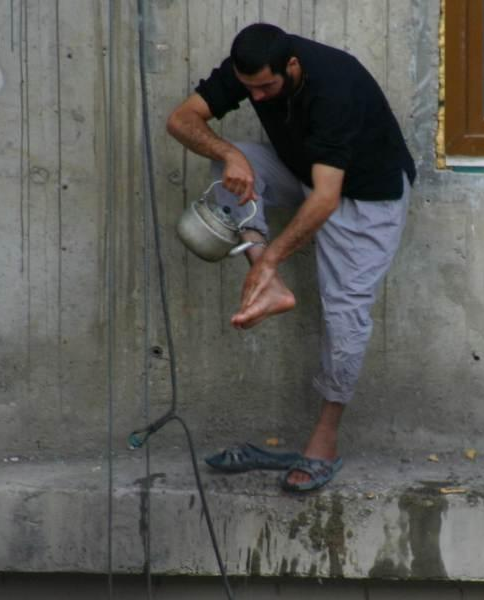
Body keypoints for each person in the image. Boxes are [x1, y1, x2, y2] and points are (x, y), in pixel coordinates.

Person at [166, 23, 416, 492]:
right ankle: (272, 287)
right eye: (249, 88)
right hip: (308, 171)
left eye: (267, 87)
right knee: (229, 159)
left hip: (367, 197)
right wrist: (229, 154)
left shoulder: (334, 87)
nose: (257, 98)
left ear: (292, 66)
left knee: (345, 313)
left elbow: (324, 200)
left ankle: (324, 440)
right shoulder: (252, 66)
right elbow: (181, 120)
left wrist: (270, 258)